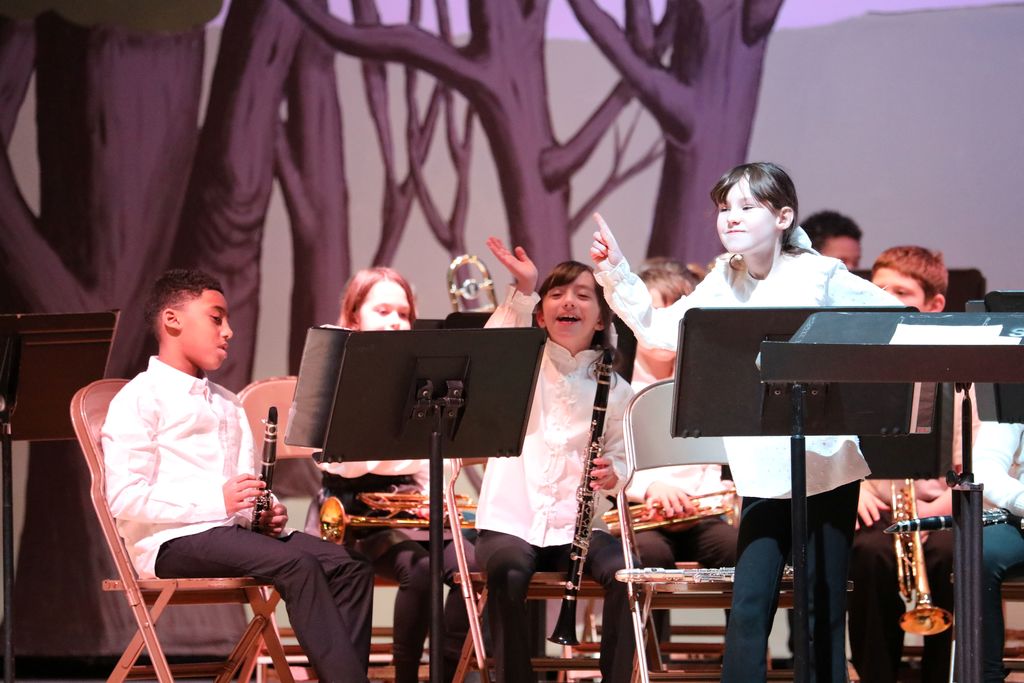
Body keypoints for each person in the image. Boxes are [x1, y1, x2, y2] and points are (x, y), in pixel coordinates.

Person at [589, 161, 902, 681]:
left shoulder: (819, 274)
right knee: (750, 605)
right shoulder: (722, 279)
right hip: (761, 470)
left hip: (825, 467)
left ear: (782, 217)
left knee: (822, 604)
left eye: (746, 206)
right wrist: (616, 272)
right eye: (723, 208)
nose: (731, 218)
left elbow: (890, 319)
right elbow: (662, 336)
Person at [102, 268, 374, 683]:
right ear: (172, 320)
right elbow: (124, 498)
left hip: (230, 534)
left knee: (349, 565)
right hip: (171, 541)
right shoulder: (139, 398)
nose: (228, 331)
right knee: (298, 564)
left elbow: (244, 487)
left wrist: (265, 512)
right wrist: (220, 502)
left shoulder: (227, 402)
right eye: (216, 318)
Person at [476, 239, 637, 683]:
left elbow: (623, 459)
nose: (569, 302)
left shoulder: (616, 389)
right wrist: (524, 286)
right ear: (540, 313)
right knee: (507, 571)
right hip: (512, 521)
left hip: (580, 530)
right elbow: (490, 349)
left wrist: (614, 474)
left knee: (626, 574)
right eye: (556, 294)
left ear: (601, 317)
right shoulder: (518, 363)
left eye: (583, 295)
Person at [303, 266, 474, 683]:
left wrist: (407, 467)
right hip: (350, 510)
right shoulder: (335, 365)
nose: (396, 321)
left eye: (403, 313)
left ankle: (448, 673)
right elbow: (338, 461)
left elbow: (442, 459)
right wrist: (405, 456)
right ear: (354, 316)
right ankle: (405, 677)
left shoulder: (423, 375)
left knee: (475, 565)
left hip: (407, 507)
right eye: (382, 310)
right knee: (418, 570)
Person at [848, 246, 955, 683]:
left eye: (902, 292)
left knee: (952, 554)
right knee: (868, 552)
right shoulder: (856, 367)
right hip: (880, 504)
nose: (887, 300)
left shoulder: (960, 368)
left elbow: (984, 455)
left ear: (934, 305)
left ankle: (944, 674)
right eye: (879, 290)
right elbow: (833, 443)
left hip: (942, 512)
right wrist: (852, 489)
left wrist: (945, 506)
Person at [628, 260, 738, 641]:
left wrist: (720, 491)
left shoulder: (706, 388)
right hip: (639, 516)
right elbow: (610, 458)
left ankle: (740, 660)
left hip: (701, 516)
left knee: (738, 549)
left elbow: (716, 463)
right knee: (650, 559)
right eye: (653, 315)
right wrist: (651, 488)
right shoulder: (616, 387)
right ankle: (650, 663)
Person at [975, 421, 1024, 682]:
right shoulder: (1015, 388)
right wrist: (1020, 500)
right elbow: (985, 464)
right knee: (980, 553)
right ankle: (987, 676)